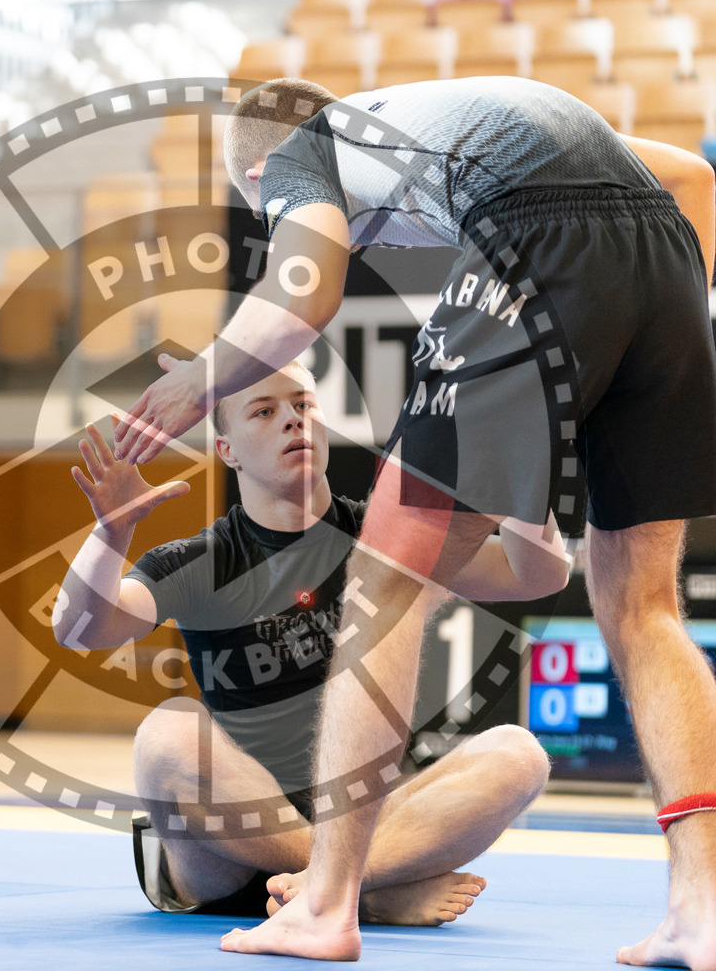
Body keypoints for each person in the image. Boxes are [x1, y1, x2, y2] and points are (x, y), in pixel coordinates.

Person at [110, 76, 716, 967]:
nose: (375, 239)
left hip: (535, 242)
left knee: (388, 579)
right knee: (643, 608)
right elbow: (687, 183)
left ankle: (325, 907)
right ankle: (700, 908)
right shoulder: (429, 118)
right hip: (668, 265)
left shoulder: (302, 148)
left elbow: (303, 294)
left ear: (258, 182)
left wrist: (197, 381)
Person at [55, 358, 567, 925]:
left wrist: (525, 459)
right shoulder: (206, 560)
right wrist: (112, 533)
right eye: (265, 411)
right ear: (228, 451)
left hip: (363, 822)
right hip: (227, 857)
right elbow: (82, 629)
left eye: (304, 405)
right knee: (165, 736)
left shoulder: (388, 543)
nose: (293, 421)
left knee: (518, 754)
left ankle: (343, 884)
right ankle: (362, 889)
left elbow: (536, 575)